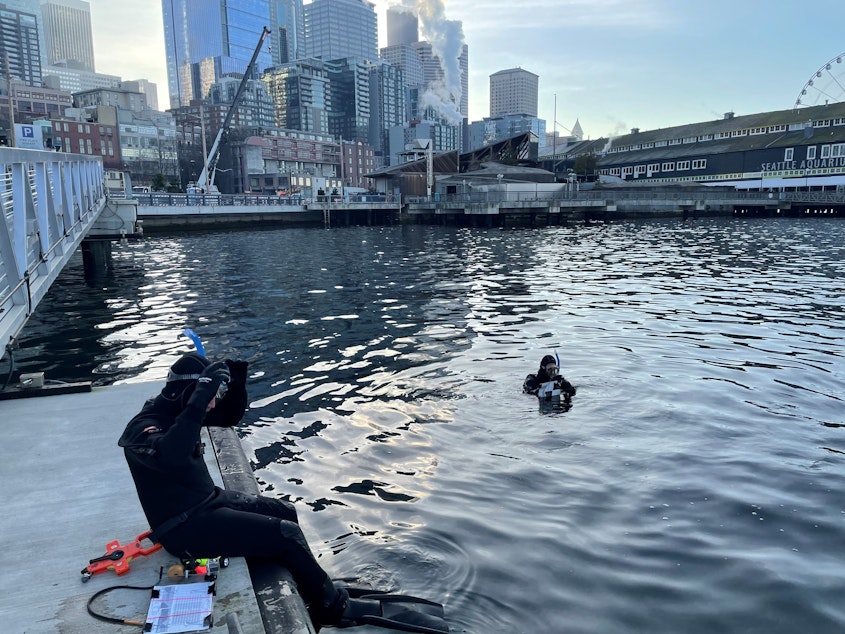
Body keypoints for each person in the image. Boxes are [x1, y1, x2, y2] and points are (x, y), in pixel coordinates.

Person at [119, 351, 447, 633]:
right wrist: (199, 399)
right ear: (186, 395)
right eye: (206, 399)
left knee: (284, 513)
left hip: (206, 502)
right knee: (285, 535)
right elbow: (172, 455)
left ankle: (313, 586)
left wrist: (237, 377)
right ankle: (332, 608)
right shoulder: (144, 427)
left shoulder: (181, 411)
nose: (211, 406)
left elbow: (228, 418)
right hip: (183, 528)